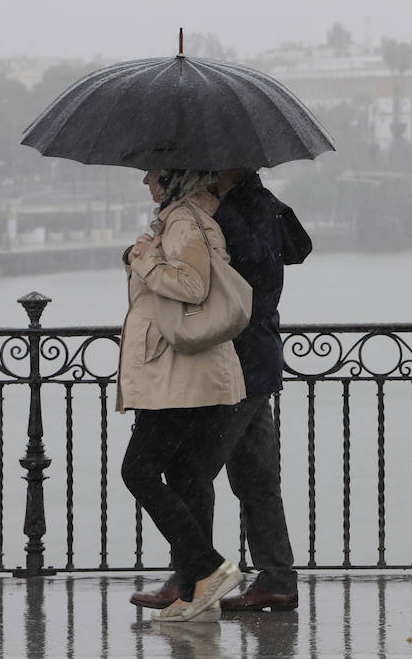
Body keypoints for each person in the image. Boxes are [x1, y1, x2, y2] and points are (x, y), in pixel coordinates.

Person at [130, 167, 308, 614]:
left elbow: (259, 277)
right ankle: (276, 579)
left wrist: (214, 219)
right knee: (256, 477)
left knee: (192, 470)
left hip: (240, 362)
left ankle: (197, 576)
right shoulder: (243, 205)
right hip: (250, 361)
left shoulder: (246, 207)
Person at [118, 168, 249, 623]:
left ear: (175, 176)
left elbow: (192, 285)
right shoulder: (180, 220)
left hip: (181, 378)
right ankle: (197, 595)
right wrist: (138, 256)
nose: (145, 181)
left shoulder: (185, 221)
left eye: (152, 174)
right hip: (187, 375)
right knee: (186, 475)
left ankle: (209, 568)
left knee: (137, 470)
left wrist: (148, 262)